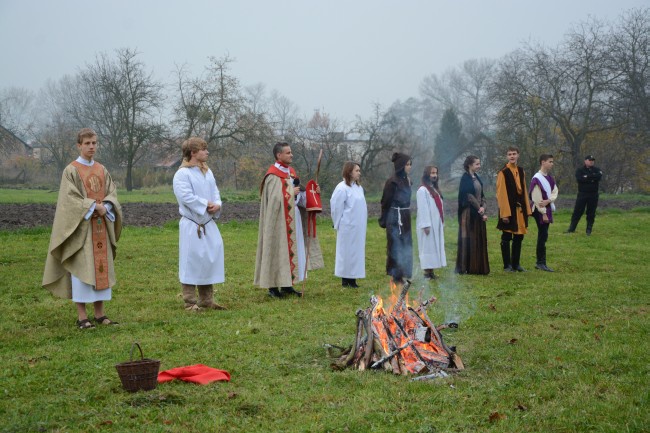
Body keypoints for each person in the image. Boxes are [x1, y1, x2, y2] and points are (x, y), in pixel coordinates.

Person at [42, 128, 122, 329]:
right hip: (81, 229)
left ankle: (100, 314)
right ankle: (81, 316)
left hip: (101, 227)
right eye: (87, 143)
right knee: (81, 271)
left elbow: (112, 193)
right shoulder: (71, 170)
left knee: (100, 270)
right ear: (79, 145)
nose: (91, 146)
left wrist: (107, 206)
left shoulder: (102, 169)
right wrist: (94, 206)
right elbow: (69, 200)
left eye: (94, 143)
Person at [254, 142, 318, 298]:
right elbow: (274, 199)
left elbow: (299, 196)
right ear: (279, 155)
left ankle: (287, 284)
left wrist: (311, 192)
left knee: (291, 251)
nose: (291, 155)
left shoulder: (291, 172)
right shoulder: (272, 175)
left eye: (291, 152)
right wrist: (291, 191)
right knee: (277, 250)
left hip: (292, 218)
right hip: (278, 221)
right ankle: (273, 287)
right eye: (288, 152)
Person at [172, 137, 226, 311]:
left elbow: (215, 191)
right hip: (192, 224)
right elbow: (185, 197)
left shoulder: (207, 172)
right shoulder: (182, 174)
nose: (207, 152)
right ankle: (189, 301)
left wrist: (217, 204)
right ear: (193, 153)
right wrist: (205, 204)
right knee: (191, 260)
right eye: (203, 149)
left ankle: (206, 299)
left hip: (208, 222)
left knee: (209, 259)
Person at [330, 161, 367, 288]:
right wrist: (337, 223)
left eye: (359, 170)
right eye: (356, 170)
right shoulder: (342, 188)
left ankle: (353, 277)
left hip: (358, 227)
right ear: (349, 172)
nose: (359, 173)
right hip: (347, 226)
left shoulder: (358, 188)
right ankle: (346, 279)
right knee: (346, 252)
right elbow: (336, 207)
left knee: (356, 252)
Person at [496, 146, 532, 272]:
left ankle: (516, 264)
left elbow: (524, 191)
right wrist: (504, 214)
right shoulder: (503, 172)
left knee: (519, 236)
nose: (512, 156)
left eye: (514, 154)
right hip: (509, 209)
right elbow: (501, 194)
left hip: (520, 209)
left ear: (518, 155)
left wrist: (527, 209)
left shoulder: (521, 171)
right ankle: (507, 265)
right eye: (509, 154)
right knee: (506, 236)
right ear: (507, 156)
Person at [379, 152, 413, 284]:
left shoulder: (407, 180)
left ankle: (404, 272)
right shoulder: (391, 182)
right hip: (395, 217)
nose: (410, 167)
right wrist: (385, 219)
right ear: (400, 166)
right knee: (396, 245)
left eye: (410, 164)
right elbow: (385, 202)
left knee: (406, 243)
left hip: (405, 216)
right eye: (407, 164)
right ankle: (395, 275)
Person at [455, 156, 490, 275]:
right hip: (469, 213)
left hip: (478, 212)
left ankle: (477, 267)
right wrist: (479, 208)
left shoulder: (477, 178)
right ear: (470, 165)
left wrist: (483, 208)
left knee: (478, 238)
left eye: (479, 164)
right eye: (477, 164)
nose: (479, 166)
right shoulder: (465, 178)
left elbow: (482, 195)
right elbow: (468, 196)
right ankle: (466, 267)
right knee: (468, 239)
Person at [416, 165, 446, 279]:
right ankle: (427, 273)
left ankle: (431, 271)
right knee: (427, 247)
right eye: (432, 173)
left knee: (433, 247)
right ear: (427, 174)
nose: (434, 175)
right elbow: (423, 209)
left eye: (436, 173)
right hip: (428, 224)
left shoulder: (434, 189)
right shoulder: (422, 190)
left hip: (435, 223)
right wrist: (426, 225)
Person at [529, 154, 558, 272]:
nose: (552, 163)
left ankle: (541, 262)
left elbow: (555, 191)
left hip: (547, 207)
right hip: (540, 211)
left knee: (544, 235)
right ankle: (540, 262)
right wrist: (544, 213)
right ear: (543, 162)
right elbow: (536, 198)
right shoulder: (537, 178)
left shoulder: (550, 178)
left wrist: (549, 200)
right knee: (542, 235)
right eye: (550, 161)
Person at [566, 155, 603, 236]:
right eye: (590, 160)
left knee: (591, 212)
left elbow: (599, 177)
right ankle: (572, 228)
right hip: (582, 194)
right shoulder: (580, 170)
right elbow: (579, 179)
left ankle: (589, 229)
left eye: (593, 160)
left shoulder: (597, 169)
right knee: (577, 211)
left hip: (593, 194)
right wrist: (592, 178)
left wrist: (587, 177)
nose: (591, 161)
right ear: (585, 161)